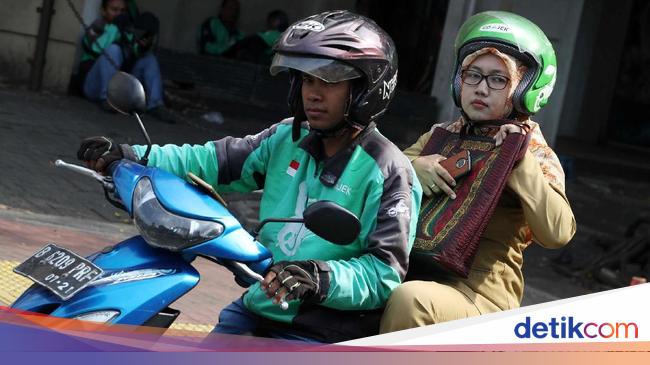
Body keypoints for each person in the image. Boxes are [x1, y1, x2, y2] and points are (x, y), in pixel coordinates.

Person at [78, 10, 421, 343]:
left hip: (322, 331)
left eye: (329, 82)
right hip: (258, 307)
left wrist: (319, 277)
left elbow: (383, 274)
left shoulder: (389, 171)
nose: (312, 94)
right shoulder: (287, 138)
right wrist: (133, 156)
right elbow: (214, 160)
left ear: (366, 90)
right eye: (306, 79)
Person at [380, 11, 576, 332]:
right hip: (410, 266)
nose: (481, 89)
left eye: (498, 80)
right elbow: (376, 181)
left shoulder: (534, 151)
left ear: (524, 88)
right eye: (473, 74)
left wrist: (519, 162)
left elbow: (558, 233)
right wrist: (414, 169)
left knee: (410, 300)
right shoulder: (440, 136)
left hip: (478, 295)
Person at [79, 0, 173, 122]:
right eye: (114, 10)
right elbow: (97, 48)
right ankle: (106, 99)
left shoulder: (127, 30)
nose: (119, 14)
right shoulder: (97, 26)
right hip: (93, 86)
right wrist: (115, 28)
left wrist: (143, 45)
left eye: (123, 11)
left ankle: (155, 105)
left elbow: (134, 53)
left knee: (148, 58)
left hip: (121, 88)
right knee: (114, 49)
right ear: (103, 11)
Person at [225, 9, 290, 64]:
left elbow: (254, 39)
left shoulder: (276, 34)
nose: (268, 24)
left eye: (270, 21)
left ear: (276, 21)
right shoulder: (287, 37)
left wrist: (228, 52)